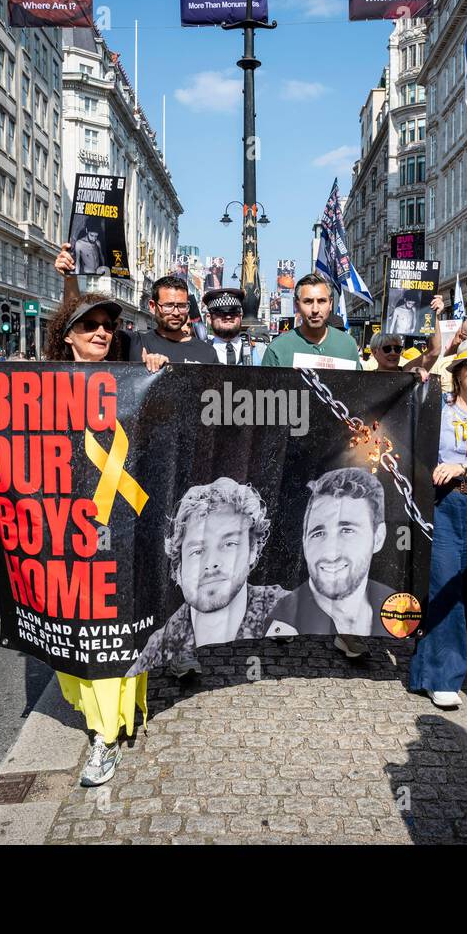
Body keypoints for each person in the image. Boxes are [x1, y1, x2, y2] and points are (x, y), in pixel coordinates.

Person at [50, 243, 167, 787]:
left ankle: (105, 734)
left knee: (113, 626)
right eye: (89, 325)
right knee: (75, 629)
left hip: (123, 526)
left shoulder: (133, 376)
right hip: (61, 526)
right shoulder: (41, 383)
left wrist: (157, 376)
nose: (100, 332)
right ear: (68, 336)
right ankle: (97, 715)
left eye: (107, 325)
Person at [408, 340, 467, 709]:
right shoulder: (439, 407)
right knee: (444, 584)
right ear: (458, 372)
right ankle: (443, 677)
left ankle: (426, 671)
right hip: (443, 504)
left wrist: (462, 468)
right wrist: (418, 373)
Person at [128, 478, 288, 676]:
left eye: (229, 544)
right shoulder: (158, 649)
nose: (211, 562)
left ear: (252, 549)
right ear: (179, 568)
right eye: (197, 551)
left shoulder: (291, 610)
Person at [264, 468, 400, 655]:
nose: (330, 553)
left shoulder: (394, 605)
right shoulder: (286, 622)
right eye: (318, 533)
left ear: (378, 537)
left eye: (347, 530)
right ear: (304, 542)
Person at [262, 274, 362, 369]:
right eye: (308, 301)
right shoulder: (277, 349)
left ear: (330, 304)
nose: (315, 309)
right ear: (296, 305)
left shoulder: (348, 345)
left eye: (321, 301)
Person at [126, 275, 219, 364]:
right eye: (168, 306)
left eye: (182, 306)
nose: (176, 313)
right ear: (153, 306)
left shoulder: (207, 352)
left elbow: (224, 381)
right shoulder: (133, 343)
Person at [204, 288, 264, 365]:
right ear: (209, 318)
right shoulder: (201, 350)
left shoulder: (259, 349)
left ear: (240, 316)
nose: (228, 317)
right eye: (221, 313)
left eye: (233, 313)